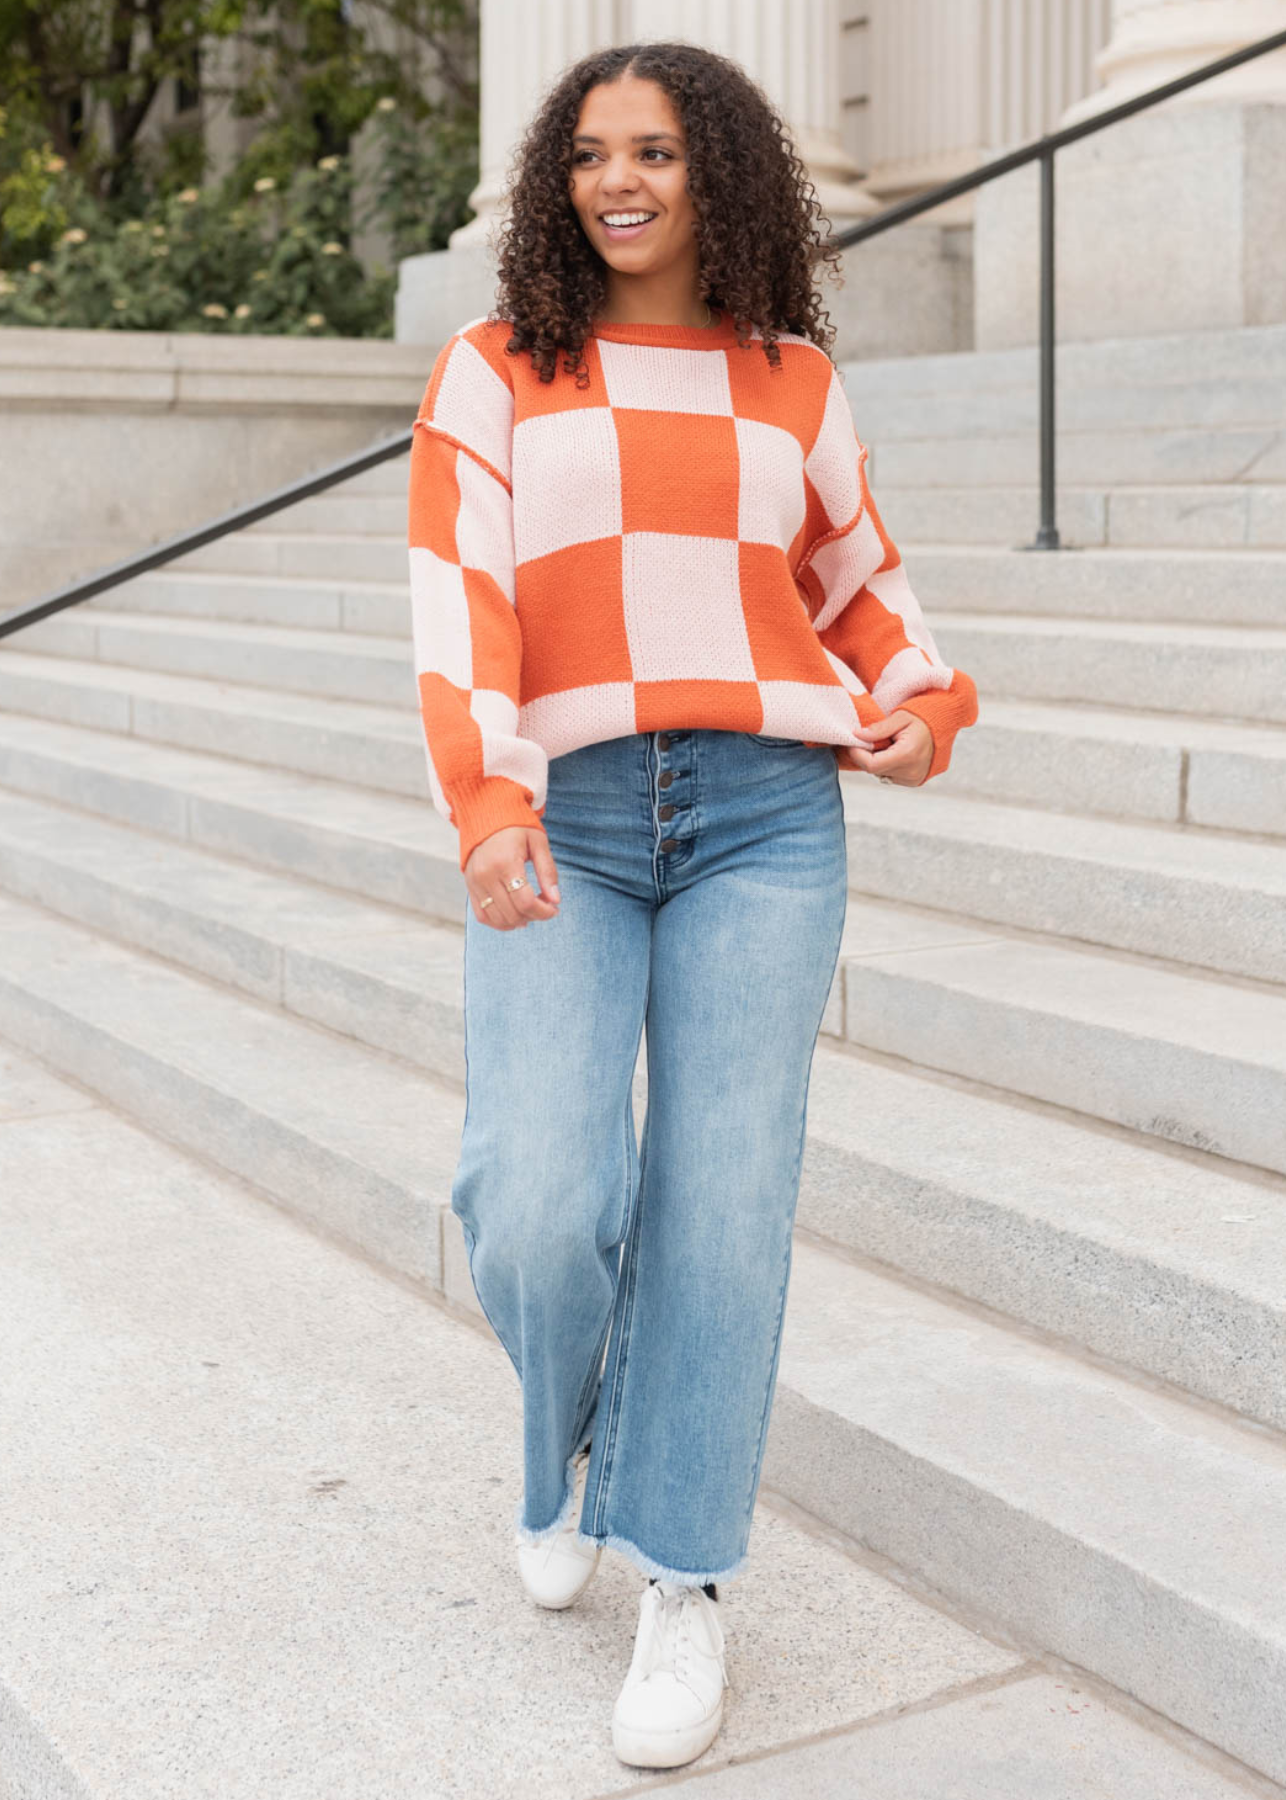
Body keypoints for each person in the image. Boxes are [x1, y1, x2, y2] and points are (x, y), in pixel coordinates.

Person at [406, 39, 979, 1773]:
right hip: (567, 817)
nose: (619, 179)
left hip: (761, 818)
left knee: (722, 1203)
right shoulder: (500, 368)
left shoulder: (793, 379)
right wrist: (489, 798)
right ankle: (568, 1433)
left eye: (656, 148)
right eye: (590, 153)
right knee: (532, 1199)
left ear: (718, 172)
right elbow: (462, 602)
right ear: (555, 183)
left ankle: (682, 1576)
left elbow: (860, 588)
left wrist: (925, 703)